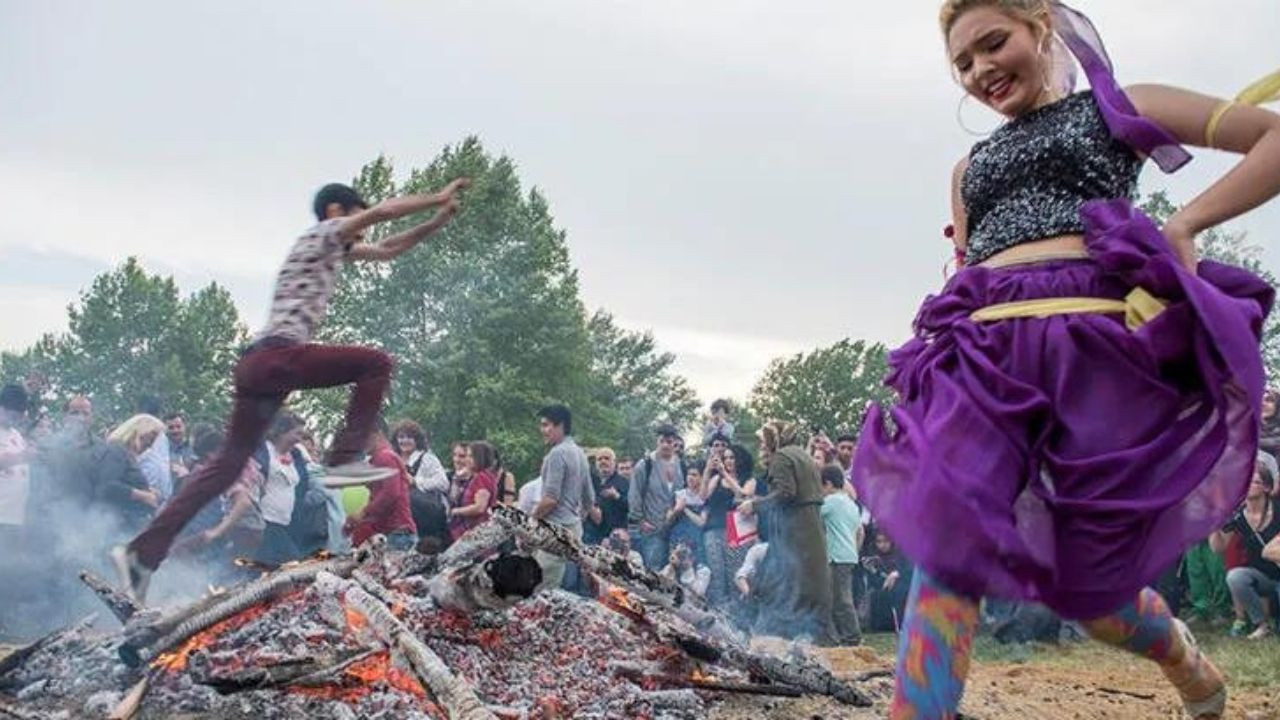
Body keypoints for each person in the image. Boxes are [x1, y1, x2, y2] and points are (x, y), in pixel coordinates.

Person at [852, 2, 1276, 716]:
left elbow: (1270, 137)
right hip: (983, 363)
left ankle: (1179, 653)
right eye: (963, 63)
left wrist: (1185, 223)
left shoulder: (1118, 108)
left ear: (1041, 29)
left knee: (1091, 592)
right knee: (948, 537)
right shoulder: (969, 167)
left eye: (994, 43)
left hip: (1092, 357)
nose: (981, 69)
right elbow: (967, 268)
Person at [116, 178, 469, 600]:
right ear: (338, 211)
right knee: (376, 363)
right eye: (359, 220)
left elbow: (392, 245)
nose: (365, 234)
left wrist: (438, 221)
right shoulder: (323, 232)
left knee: (226, 466)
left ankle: (141, 553)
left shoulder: (337, 248)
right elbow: (383, 214)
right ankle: (341, 458)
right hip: (278, 356)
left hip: (258, 368)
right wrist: (436, 196)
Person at [739, 422, 833, 643]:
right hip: (810, 530)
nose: (762, 447)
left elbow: (785, 492)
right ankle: (810, 639)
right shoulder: (803, 455)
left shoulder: (781, 457)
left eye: (764, 441)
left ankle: (773, 639)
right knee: (807, 586)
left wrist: (755, 504)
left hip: (795, 531)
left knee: (784, 584)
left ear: (775, 439)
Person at [1209, 453, 1280, 640]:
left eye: (1254, 481)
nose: (1247, 484)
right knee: (1235, 576)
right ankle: (1262, 625)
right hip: (1262, 576)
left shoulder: (1278, 509)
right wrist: (1213, 525)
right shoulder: (1238, 516)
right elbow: (1218, 548)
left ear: (1266, 487)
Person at [531, 405, 593, 590]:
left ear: (561, 425)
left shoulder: (556, 454)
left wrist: (530, 520)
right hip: (574, 529)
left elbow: (551, 499)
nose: (543, 430)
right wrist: (577, 516)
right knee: (568, 590)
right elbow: (589, 497)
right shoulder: (580, 453)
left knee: (542, 591)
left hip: (554, 531)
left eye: (546, 425)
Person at [347, 418, 417, 551]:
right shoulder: (381, 458)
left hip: (397, 534)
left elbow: (391, 493)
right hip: (394, 533)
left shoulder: (385, 457)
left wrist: (363, 512)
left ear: (376, 434)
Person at [628, 424, 684, 571]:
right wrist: (640, 520)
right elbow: (634, 495)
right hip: (652, 528)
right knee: (653, 571)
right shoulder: (645, 465)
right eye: (662, 441)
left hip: (675, 529)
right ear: (657, 441)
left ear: (675, 443)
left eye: (669, 441)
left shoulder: (681, 465)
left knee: (675, 572)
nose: (666, 445)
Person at [820, 464, 864, 646]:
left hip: (836, 556)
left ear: (828, 484)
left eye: (821, 486)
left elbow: (811, 515)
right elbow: (860, 532)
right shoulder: (851, 504)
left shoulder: (830, 502)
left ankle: (852, 636)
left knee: (841, 599)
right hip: (849, 554)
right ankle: (840, 636)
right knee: (839, 597)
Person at [392, 420, 449, 547]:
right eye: (401, 437)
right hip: (398, 523)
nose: (404, 441)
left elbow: (443, 483)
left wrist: (415, 481)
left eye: (409, 437)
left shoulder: (427, 459)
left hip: (424, 521)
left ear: (417, 440)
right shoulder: (392, 460)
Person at [862, 530, 914, 633]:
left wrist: (896, 574)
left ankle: (900, 624)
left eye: (885, 541)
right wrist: (874, 571)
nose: (882, 545)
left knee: (899, 591)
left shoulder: (901, 553)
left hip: (902, 585)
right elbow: (875, 579)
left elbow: (909, 569)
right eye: (879, 542)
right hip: (881, 588)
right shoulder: (874, 555)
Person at [447, 441, 499, 541]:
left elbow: (480, 507)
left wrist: (455, 511)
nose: (467, 460)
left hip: (475, 534)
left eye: (470, 456)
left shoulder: (482, 478)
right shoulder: (483, 476)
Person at [586, 448, 629, 544]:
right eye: (599, 459)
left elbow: (630, 506)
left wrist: (617, 496)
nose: (603, 461)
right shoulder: (591, 482)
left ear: (614, 462)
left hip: (614, 535)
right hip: (592, 535)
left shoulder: (623, 482)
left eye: (606, 458)